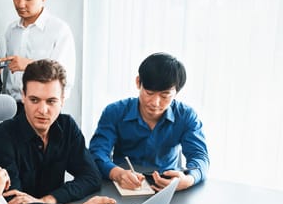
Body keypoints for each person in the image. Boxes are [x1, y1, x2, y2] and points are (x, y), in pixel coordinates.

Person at [0, 60, 115, 204]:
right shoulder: (1, 139)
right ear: (23, 96)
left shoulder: (67, 125)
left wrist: (47, 200)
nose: (43, 110)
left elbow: (92, 177)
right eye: (34, 100)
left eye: (51, 101)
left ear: (62, 100)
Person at [89, 52, 210, 192]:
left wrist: (188, 180)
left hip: (168, 187)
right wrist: (116, 173)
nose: (155, 102)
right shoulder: (114, 112)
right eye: (149, 93)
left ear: (176, 92)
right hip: (123, 184)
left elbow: (200, 156)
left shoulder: (186, 116)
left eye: (165, 95)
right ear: (138, 82)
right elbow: (97, 153)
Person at [0, 0, 76, 113]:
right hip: (12, 108)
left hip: (42, 109)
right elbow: (9, 77)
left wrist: (28, 64)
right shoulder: (11, 30)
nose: (21, 4)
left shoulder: (59, 30)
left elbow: (64, 77)